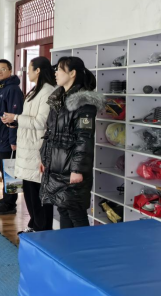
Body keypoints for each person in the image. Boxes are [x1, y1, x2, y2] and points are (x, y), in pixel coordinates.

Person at [39, 56, 105, 229]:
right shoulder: (58, 99)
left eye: (60, 70)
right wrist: (45, 159)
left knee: (76, 212)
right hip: (57, 166)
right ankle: (66, 244)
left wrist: (77, 169)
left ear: (72, 73)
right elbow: (50, 133)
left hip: (71, 169)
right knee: (63, 208)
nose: (56, 73)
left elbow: (84, 138)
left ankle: (82, 247)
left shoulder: (84, 103)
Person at [2, 57, 55, 233]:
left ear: (38, 70)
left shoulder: (47, 91)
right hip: (28, 147)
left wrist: (16, 117)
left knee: (38, 193)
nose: (28, 73)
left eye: (30, 69)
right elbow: (30, 119)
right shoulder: (35, 90)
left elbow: (41, 122)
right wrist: (15, 122)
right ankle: (34, 225)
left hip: (37, 149)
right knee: (30, 191)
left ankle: (42, 230)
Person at [0, 59, 24, 215]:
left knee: (11, 171)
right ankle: (6, 198)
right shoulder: (1, 89)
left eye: (3, 69)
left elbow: (15, 116)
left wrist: (13, 140)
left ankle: (10, 205)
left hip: (7, 139)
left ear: (10, 70)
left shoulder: (13, 89)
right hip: (0, 138)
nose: (0, 71)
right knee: (5, 170)